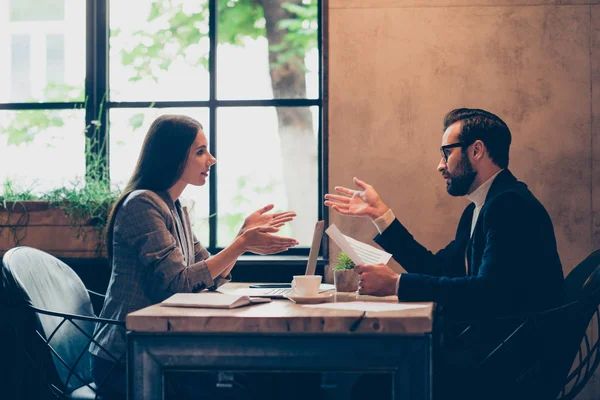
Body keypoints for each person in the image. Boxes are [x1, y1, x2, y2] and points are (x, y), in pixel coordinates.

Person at [324, 108, 565, 399]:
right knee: (374, 379)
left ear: (476, 150)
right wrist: (381, 215)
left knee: (373, 386)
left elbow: (489, 293)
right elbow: (438, 268)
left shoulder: (510, 205)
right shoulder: (479, 208)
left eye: (446, 152)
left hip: (507, 366)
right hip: (489, 351)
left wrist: (397, 284)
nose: (440, 165)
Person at [88, 114, 299, 399]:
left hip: (160, 349)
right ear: (173, 157)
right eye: (200, 152)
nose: (210, 159)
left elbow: (209, 277)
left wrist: (242, 237)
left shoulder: (175, 207)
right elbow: (180, 284)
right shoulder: (142, 205)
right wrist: (241, 244)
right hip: (127, 357)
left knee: (247, 387)